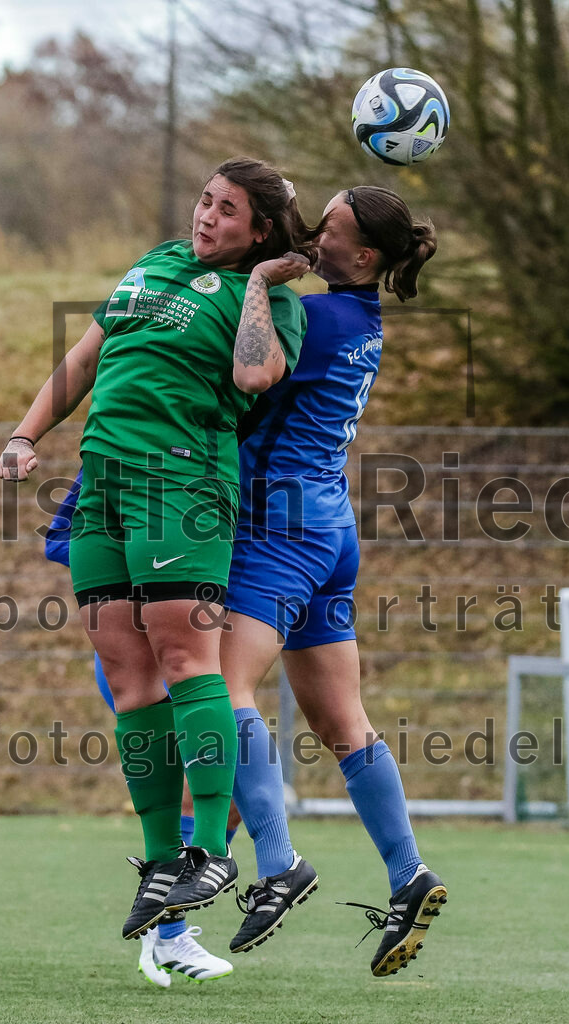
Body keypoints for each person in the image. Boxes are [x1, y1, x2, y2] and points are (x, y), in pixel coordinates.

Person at [0, 157, 311, 947]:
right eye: (205, 201)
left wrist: (255, 283)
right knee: (126, 672)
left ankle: (210, 850)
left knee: (185, 661)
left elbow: (250, 375)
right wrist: (25, 435)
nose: (206, 217)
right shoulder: (155, 263)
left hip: (183, 485)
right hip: (102, 480)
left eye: (227, 211)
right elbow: (83, 359)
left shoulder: (273, 302)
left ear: (261, 232)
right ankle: (160, 857)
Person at [220, 186, 449, 977]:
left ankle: (277, 863)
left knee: (221, 694)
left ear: (365, 258)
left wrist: (250, 281)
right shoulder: (355, 319)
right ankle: (408, 875)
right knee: (343, 724)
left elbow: (244, 369)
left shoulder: (315, 320)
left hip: (278, 529)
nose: (315, 235)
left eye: (332, 229)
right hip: (328, 529)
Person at [44, 472, 239, 985]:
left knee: (230, 791)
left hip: (184, 644)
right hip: (151, 658)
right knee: (206, 792)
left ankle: (170, 922)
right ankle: (169, 930)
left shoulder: (202, 463)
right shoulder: (119, 472)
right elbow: (64, 543)